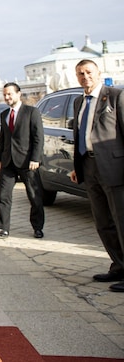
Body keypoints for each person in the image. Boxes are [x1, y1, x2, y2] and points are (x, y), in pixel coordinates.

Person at [68, 60, 124, 292]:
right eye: (80, 73)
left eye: (89, 72)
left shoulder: (115, 96)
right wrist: (77, 167)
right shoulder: (79, 101)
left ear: (99, 73)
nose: (85, 77)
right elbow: (79, 134)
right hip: (89, 166)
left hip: (113, 167)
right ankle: (119, 266)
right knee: (102, 221)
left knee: (121, 220)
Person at [0, 82, 45, 239]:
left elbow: (38, 137)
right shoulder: (4, 114)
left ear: (18, 94)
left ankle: (38, 227)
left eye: (10, 94)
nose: (7, 97)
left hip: (28, 161)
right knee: (4, 196)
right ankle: (2, 228)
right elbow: (3, 138)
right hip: (8, 162)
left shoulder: (31, 112)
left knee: (34, 196)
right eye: (5, 94)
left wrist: (35, 158)